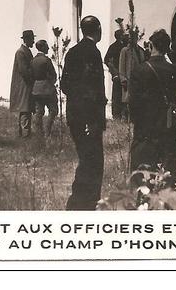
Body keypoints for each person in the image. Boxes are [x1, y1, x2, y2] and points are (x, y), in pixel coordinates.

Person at [60, 15, 106, 210]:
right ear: (98, 30)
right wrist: (92, 119)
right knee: (93, 161)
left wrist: (77, 101)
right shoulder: (92, 53)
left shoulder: (72, 52)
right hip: (89, 118)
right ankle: (84, 203)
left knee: (85, 157)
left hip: (75, 116)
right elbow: (93, 89)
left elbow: (64, 85)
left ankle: (81, 202)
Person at [129, 29, 176, 183]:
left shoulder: (139, 70)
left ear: (151, 46)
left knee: (145, 179)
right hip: (169, 128)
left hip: (146, 131)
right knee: (168, 176)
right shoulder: (174, 70)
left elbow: (133, 106)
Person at [30, 39, 58, 139]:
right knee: (53, 110)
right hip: (47, 89)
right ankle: (47, 132)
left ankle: (39, 134)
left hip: (36, 89)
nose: (48, 48)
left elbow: (31, 75)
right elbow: (53, 75)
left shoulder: (33, 60)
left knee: (39, 112)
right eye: (46, 46)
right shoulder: (46, 60)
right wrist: (51, 83)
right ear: (42, 47)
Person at [9, 29, 35, 138]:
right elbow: (24, 70)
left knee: (27, 107)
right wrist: (33, 77)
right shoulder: (21, 52)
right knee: (25, 108)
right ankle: (24, 134)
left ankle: (25, 132)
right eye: (32, 39)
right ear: (26, 39)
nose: (33, 42)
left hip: (26, 84)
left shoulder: (26, 51)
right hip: (23, 85)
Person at [119, 33, 146, 111]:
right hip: (128, 79)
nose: (131, 40)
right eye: (130, 38)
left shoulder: (141, 50)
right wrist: (123, 78)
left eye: (133, 38)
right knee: (128, 101)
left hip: (139, 79)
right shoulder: (125, 50)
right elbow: (122, 65)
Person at [104, 29, 127, 119]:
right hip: (118, 74)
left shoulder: (124, 47)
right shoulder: (114, 47)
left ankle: (121, 113)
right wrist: (114, 72)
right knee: (117, 95)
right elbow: (107, 60)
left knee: (121, 94)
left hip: (122, 74)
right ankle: (117, 114)